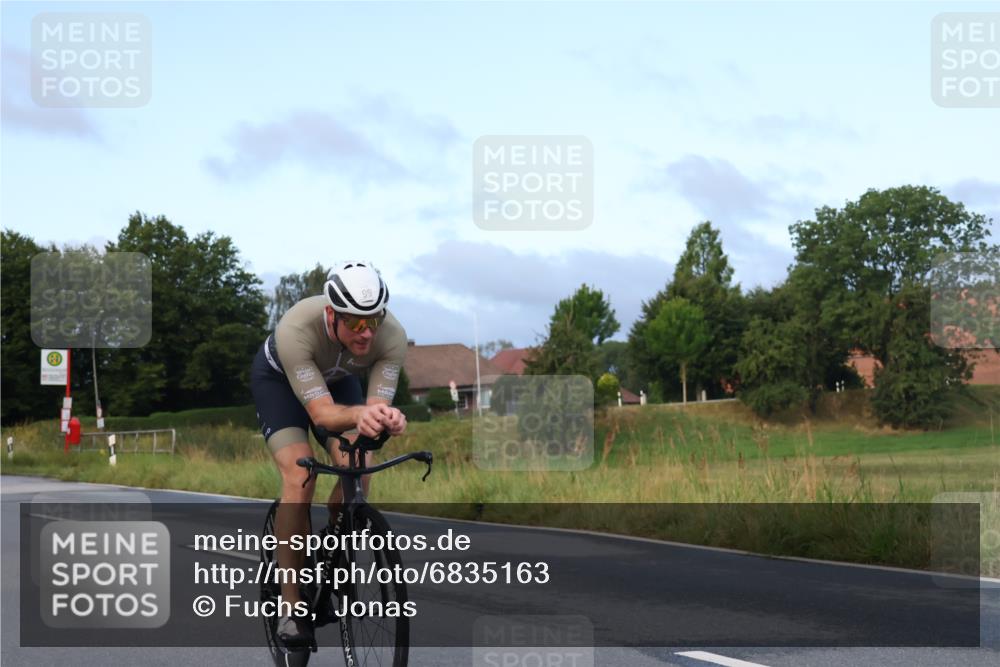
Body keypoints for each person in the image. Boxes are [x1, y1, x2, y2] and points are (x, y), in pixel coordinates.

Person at [250, 260, 408, 649]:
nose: (366, 332)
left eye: (374, 319)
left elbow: (372, 408)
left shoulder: (392, 337)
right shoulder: (295, 329)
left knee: (360, 465)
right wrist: (362, 414)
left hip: (339, 385)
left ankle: (332, 543)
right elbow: (321, 414)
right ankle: (291, 606)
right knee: (300, 475)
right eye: (355, 323)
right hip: (282, 385)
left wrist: (385, 417)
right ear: (330, 313)